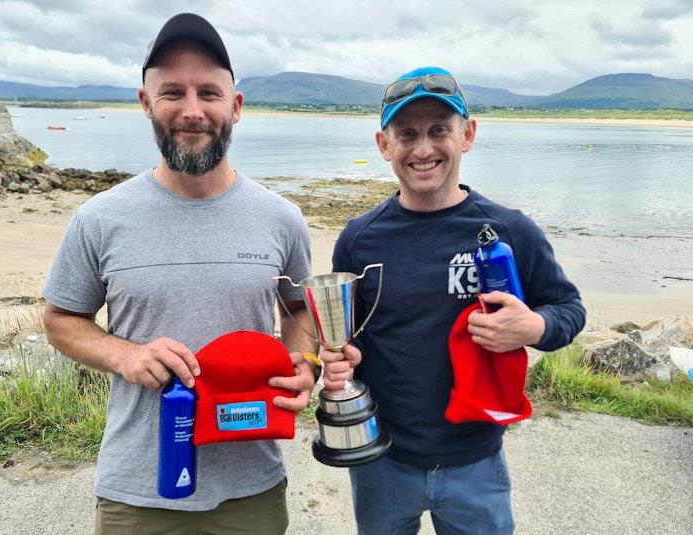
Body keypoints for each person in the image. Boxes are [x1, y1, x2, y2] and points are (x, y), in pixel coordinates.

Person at [42, 13, 356, 535]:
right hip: (139, 491)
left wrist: (303, 362)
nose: (192, 111)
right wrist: (126, 354)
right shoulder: (99, 218)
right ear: (146, 104)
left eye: (208, 92)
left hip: (251, 486)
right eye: (172, 93)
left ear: (234, 106)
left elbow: (298, 309)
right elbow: (60, 320)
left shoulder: (281, 218)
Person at [332, 66, 586, 535]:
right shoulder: (358, 239)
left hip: (476, 461)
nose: (423, 148)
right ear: (383, 145)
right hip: (381, 458)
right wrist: (336, 359)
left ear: (467, 135)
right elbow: (346, 339)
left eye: (439, 131)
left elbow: (569, 310)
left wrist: (534, 328)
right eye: (406, 133)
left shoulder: (510, 230)